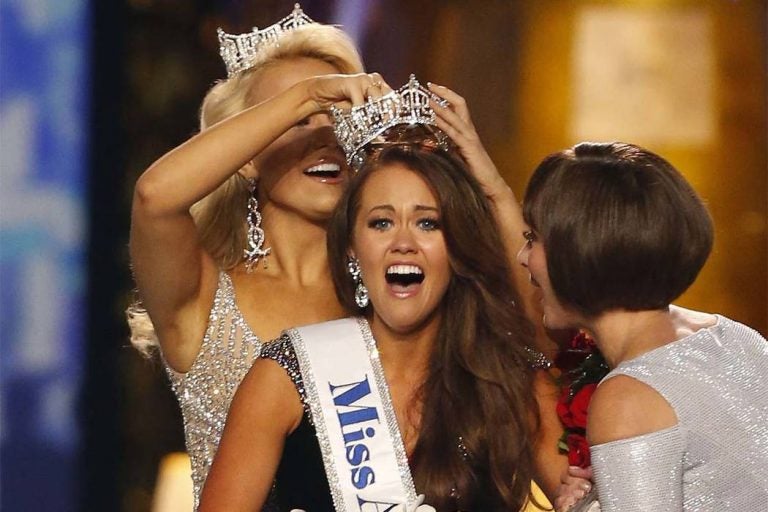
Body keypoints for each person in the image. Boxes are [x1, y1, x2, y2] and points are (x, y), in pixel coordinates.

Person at [199, 127, 564, 510]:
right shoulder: (288, 375)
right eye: (381, 223)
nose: (403, 242)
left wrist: (497, 193)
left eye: (428, 223)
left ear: (459, 248)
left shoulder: (511, 380)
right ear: (351, 250)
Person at [127, 6, 387, 506]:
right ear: (245, 156)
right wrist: (307, 94)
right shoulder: (203, 298)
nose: (325, 138)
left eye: (339, 119)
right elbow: (155, 197)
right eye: (298, 122)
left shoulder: (393, 295)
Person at [517, 141, 768, 511]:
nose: (522, 258)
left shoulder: (629, 400)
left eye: (532, 240)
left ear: (580, 252)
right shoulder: (732, 336)